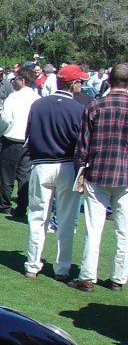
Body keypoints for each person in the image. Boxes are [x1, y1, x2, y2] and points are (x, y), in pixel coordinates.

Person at [24, 64, 87, 281]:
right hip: (67, 165)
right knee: (66, 219)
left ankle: (32, 264)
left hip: (41, 164)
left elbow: (28, 137)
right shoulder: (78, 109)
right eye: (80, 81)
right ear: (73, 83)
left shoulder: (38, 104)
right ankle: (62, 268)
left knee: (37, 217)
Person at [70, 62, 128, 292]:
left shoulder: (95, 106)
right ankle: (118, 278)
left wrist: (80, 172)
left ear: (109, 81)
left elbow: (82, 146)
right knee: (123, 230)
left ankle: (87, 277)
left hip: (97, 172)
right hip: (124, 174)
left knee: (94, 227)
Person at [0, 66, 39, 216]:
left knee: (7, 175)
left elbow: (5, 119)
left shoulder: (13, 97)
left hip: (12, 139)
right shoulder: (37, 99)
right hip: (29, 142)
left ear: (22, 80)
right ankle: (21, 207)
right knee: (24, 176)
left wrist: (1, 128)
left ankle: (5, 204)